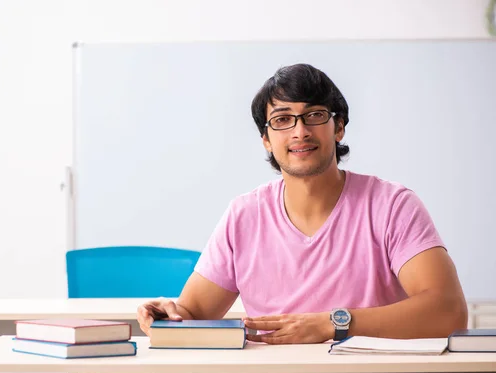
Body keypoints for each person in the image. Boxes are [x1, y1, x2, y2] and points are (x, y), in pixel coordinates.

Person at [137, 63, 468, 344]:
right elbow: (194, 314)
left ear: (338, 127)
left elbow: (449, 312)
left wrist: (333, 323)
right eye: (282, 120)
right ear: (266, 139)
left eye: (314, 115)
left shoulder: (393, 206)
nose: (299, 131)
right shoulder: (244, 215)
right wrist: (168, 316)